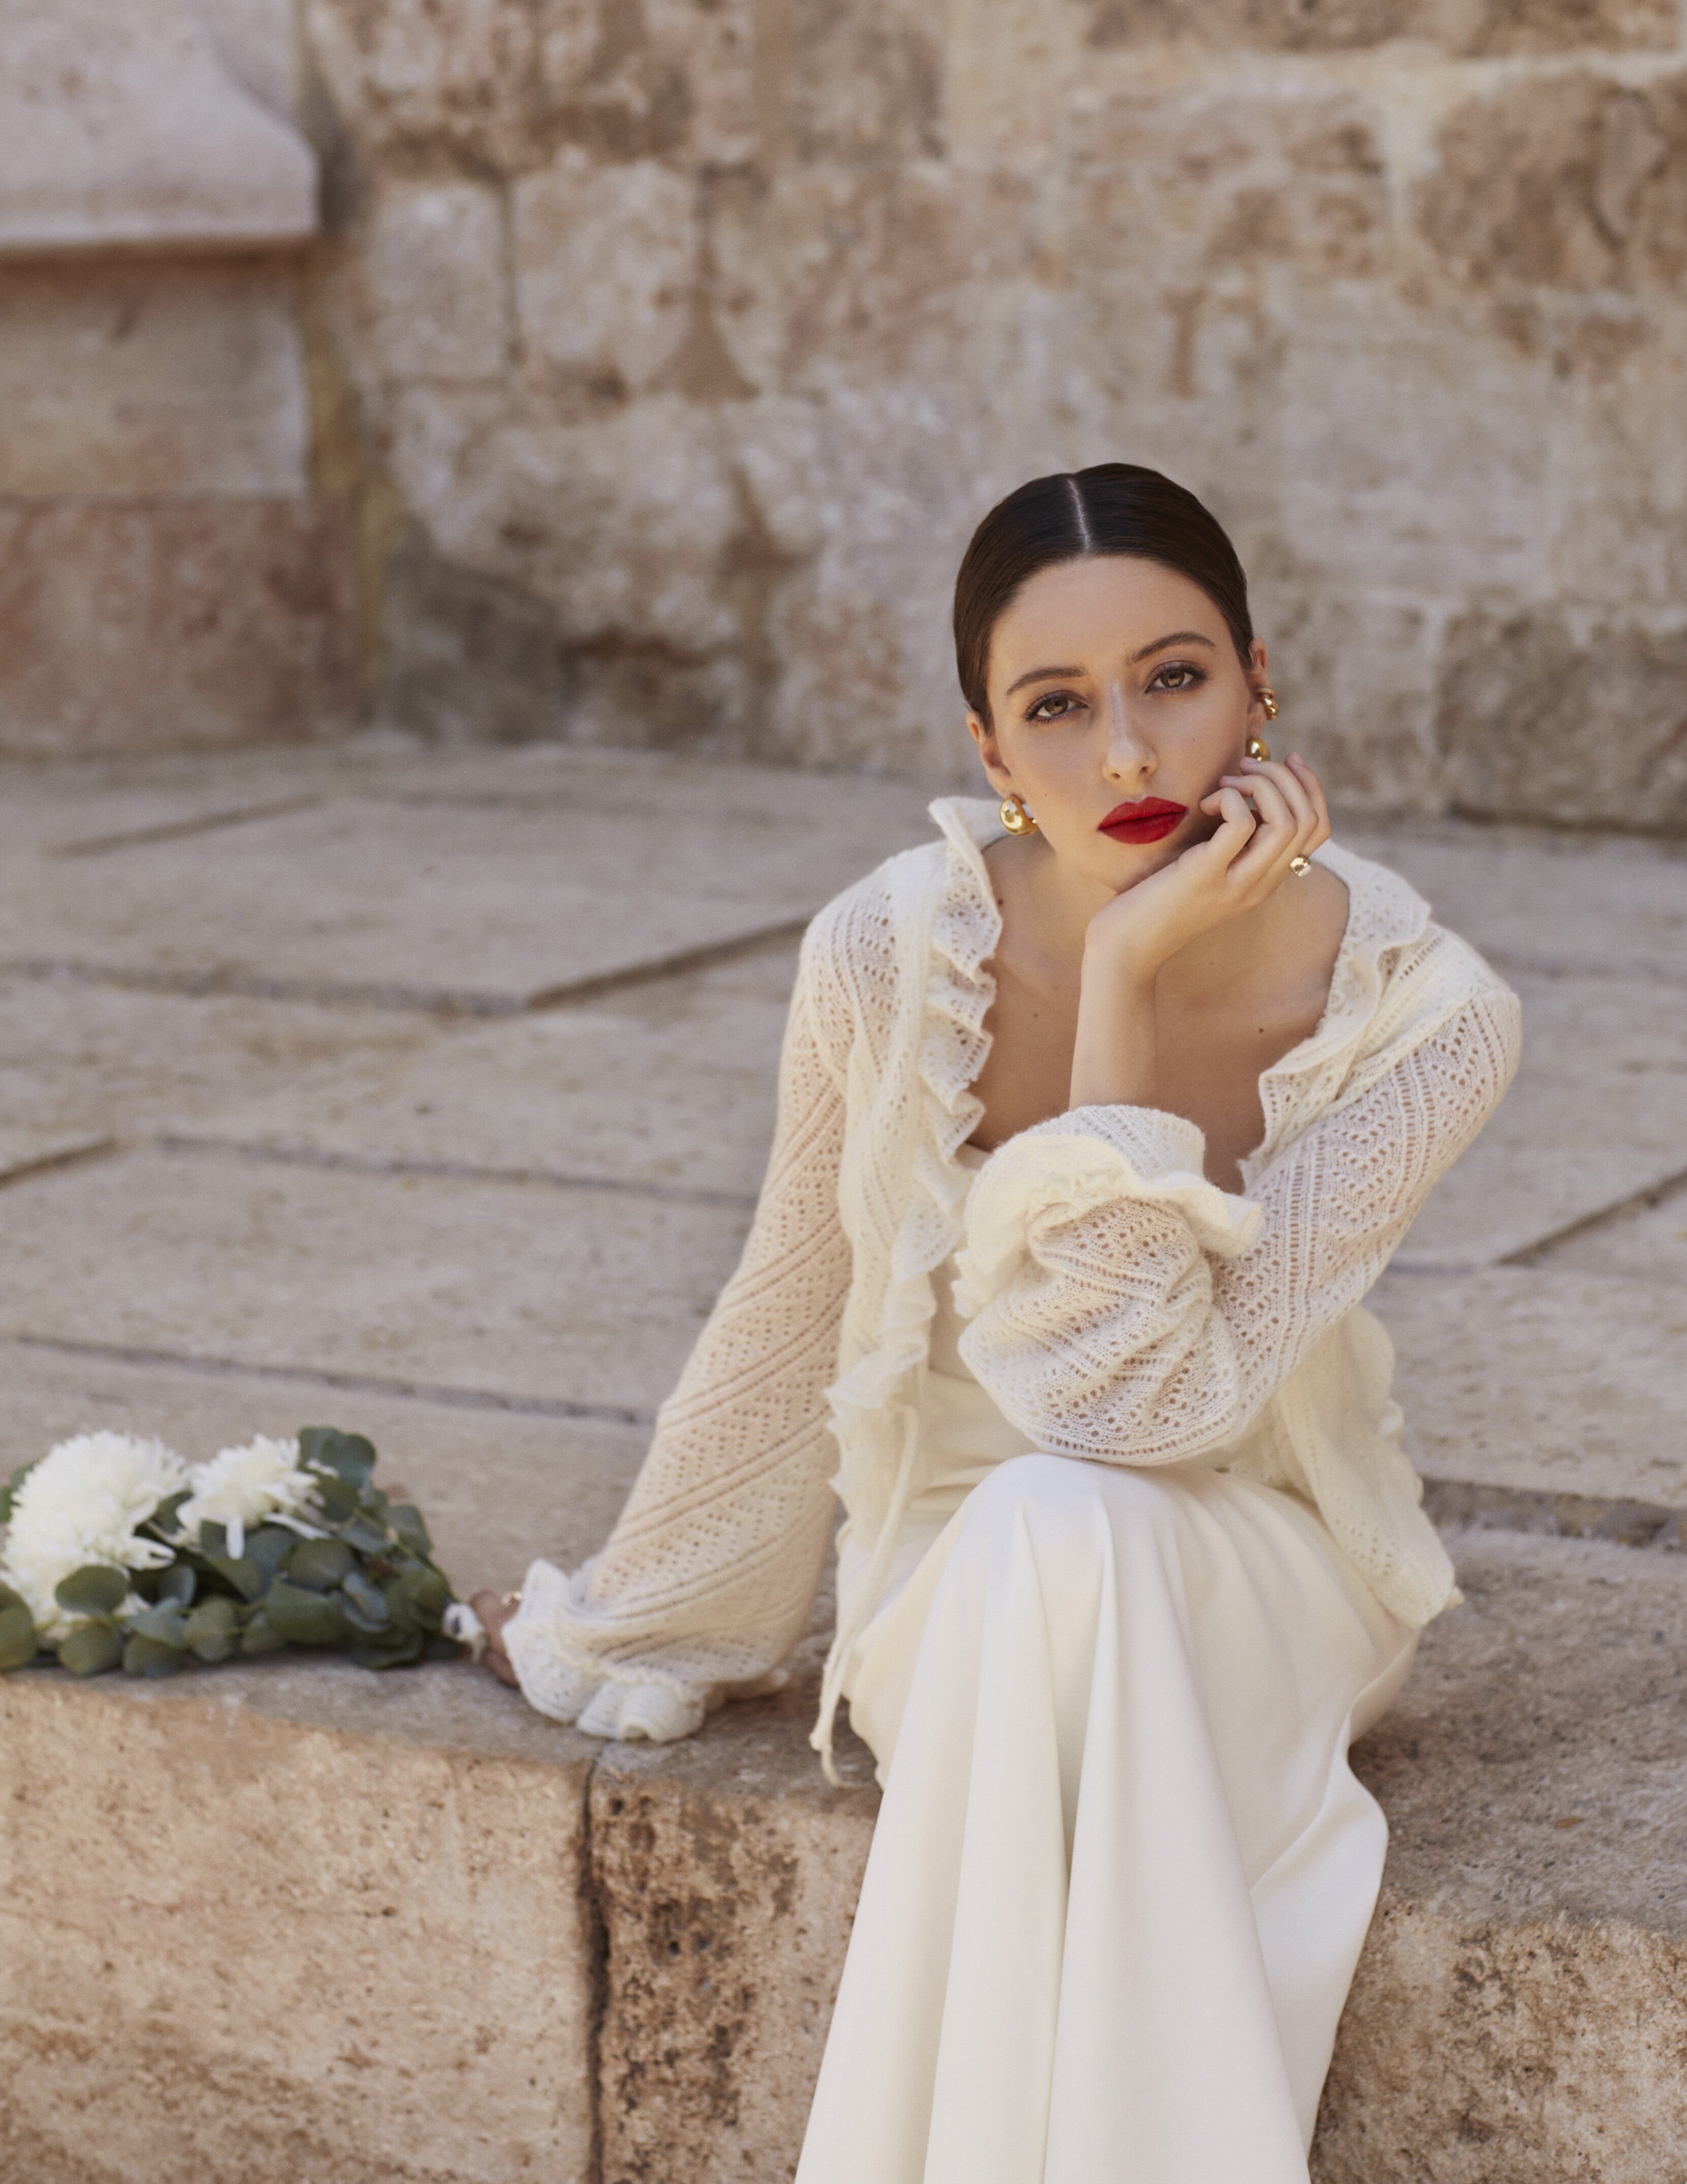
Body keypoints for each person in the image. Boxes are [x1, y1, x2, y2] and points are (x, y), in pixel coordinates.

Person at [471, 465, 1520, 2183]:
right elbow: (790, 1304)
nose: (1126, 756)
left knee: (1073, 1507)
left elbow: (1145, 1414)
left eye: (1176, 681)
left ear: (1265, 685)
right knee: (1040, 1524)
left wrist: (1116, 991)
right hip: (955, 1585)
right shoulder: (890, 955)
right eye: (1058, 707)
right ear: (988, 751)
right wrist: (628, 1627)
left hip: (1261, 1566)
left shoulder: (1429, 1017)